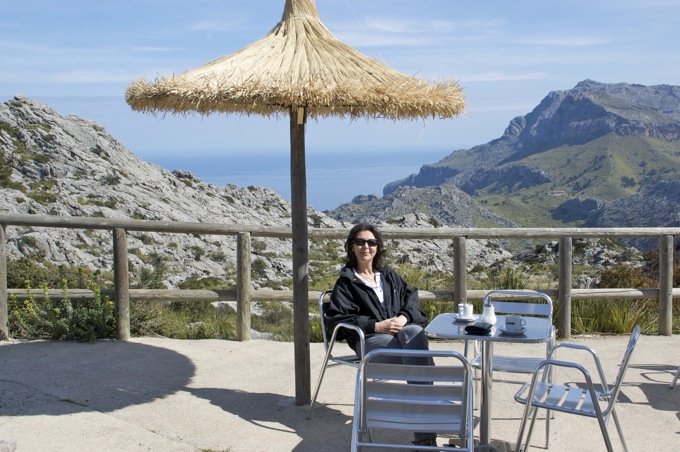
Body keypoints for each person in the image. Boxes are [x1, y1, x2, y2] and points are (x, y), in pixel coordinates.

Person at [325, 223, 437, 448]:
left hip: (400, 335)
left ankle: (421, 415)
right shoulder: (346, 282)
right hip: (368, 342)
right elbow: (338, 321)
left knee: (414, 331)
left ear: (378, 247)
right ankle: (427, 428)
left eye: (371, 242)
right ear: (351, 247)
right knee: (417, 357)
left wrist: (404, 317)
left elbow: (411, 297)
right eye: (360, 242)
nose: (366, 246)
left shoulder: (387, 274)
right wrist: (377, 326)